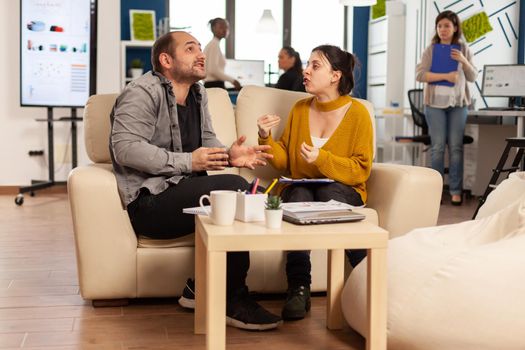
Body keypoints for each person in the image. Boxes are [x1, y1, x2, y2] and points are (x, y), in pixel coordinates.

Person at [109, 31, 282, 331]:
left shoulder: (198, 95)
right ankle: (232, 299)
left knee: (262, 195)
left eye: (200, 48)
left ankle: (199, 289)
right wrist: (189, 162)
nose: (201, 54)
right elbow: (125, 147)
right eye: (190, 49)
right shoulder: (141, 92)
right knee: (235, 191)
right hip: (150, 203)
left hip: (186, 194)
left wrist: (230, 155)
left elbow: (207, 144)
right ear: (166, 60)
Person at [257, 45, 373, 320]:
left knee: (328, 191)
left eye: (315, 66)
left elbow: (360, 170)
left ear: (335, 75)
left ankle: (368, 280)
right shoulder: (300, 109)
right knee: (297, 194)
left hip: (342, 188)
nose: (305, 71)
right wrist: (265, 137)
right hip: (302, 188)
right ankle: (298, 287)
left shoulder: (357, 114)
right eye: (307, 65)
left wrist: (323, 158)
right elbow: (285, 161)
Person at [415, 10, 477, 206]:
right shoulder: (431, 50)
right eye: (440, 26)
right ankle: (437, 191)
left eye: (447, 26)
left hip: (458, 105)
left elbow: (473, 77)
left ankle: (456, 191)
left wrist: (464, 61)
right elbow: (420, 75)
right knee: (438, 148)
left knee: (456, 148)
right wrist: (445, 77)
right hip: (434, 106)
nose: (442, 29)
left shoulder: (463, 49)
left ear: (455, 28)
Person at [203, 18, 241, 90]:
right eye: (221, 27)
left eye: (226, 27)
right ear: (213, 29)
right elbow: (213, 70)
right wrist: (233, 81)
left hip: (213, 85)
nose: (225, 30)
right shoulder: (214, 45)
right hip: (214, 85)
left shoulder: (214, 44)